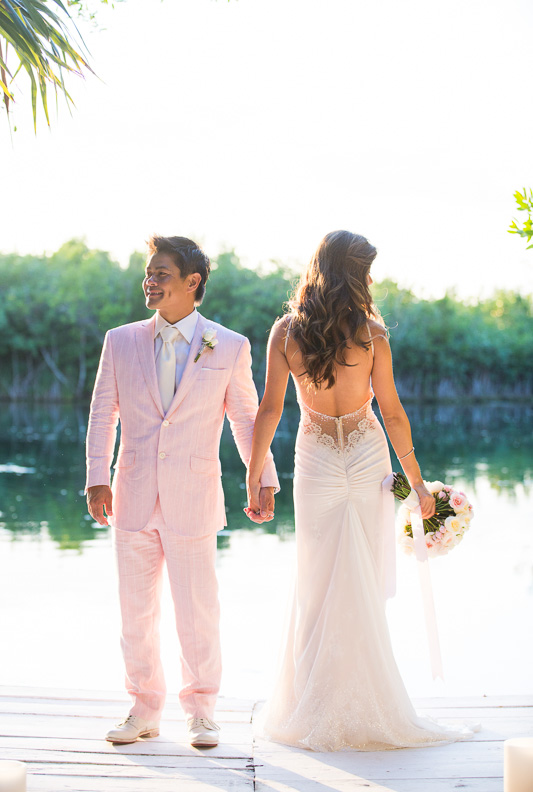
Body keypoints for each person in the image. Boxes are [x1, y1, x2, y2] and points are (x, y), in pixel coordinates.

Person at [245, 230, 473, 751]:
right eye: (367, 270)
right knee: (361, 583)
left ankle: (313, 701)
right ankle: (361, 701)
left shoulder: (286, 333)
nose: (372, 279)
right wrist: (417, 484)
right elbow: (391, 412)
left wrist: (256, 476)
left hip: (318, 460)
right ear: (354, 274)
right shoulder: (371, 333)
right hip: (366, 456)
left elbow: (271, 409)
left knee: (316, 582)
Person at [86, 235, 278, 747]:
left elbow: (244, 418)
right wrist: (96, 476)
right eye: (147, 273)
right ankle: (143, 709)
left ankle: (202, 712)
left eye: (161, 274)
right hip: (130, 494)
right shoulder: (120, 340)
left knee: (198, 611)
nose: (149, 281)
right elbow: (103, 410)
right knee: (136, 614)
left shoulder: (230, 345)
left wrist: (263, 478)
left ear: (193, 283)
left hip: (193, 495)